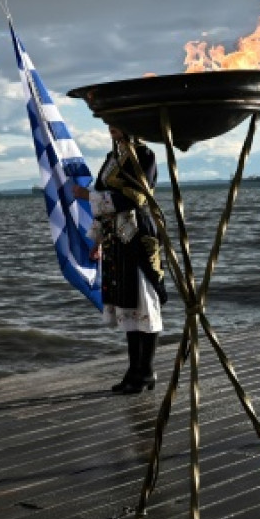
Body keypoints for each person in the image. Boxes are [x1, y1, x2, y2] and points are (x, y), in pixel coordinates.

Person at [75, 125, 166, 394]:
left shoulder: (144, 156)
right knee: (127, 305)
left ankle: (146, 371)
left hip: (138, 238)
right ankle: (133, 371)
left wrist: (87, 196)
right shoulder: (111, 158)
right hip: (116, 240)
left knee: (143, 301)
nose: (110, 128)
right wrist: (98, 240)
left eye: (116, 123)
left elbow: (135, 198)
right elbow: (108, 201)